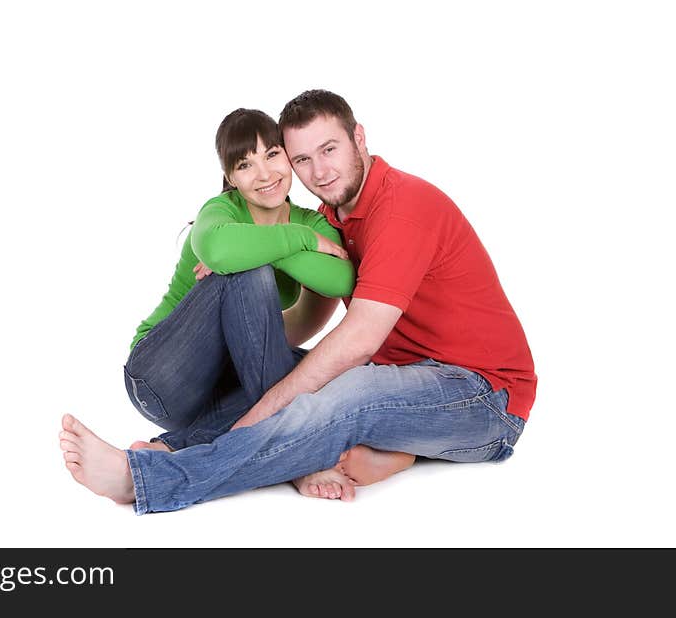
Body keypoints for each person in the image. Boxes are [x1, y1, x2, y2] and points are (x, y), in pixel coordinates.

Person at [59, 90, 537, 513]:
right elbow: (309, 321)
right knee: (302, 382)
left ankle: (147, 479)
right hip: (402, 378)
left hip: (483, 396)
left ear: (360, 138)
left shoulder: (404, 208)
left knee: (340, 395)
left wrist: (262, 413)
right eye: (303, 159)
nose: (320, 171)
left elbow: (358, 341)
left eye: (329, 149)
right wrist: (238, 326)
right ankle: (171, 450)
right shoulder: (334, 215)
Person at [119, 107, 354, 454]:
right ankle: (289, 447)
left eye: (272, 155)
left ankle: (171, 450)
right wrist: (293, 242)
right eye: (245, 165)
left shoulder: (310, 222)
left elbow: (342, 279)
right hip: (162, 375)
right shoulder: (220, 212)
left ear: (288, 157)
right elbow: (217, 248)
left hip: (227, 391)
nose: (264, 174)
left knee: (336, 372)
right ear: (230, 177)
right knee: (247, 271)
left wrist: (264, 245)